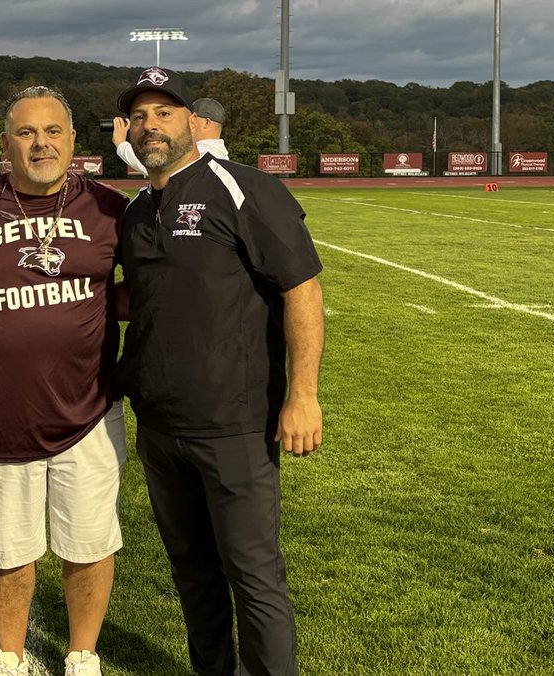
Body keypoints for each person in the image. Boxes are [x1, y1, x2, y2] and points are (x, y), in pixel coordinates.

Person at [114, 67, 325, 676]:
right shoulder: (136, 211)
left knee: (253, 576)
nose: (151, 126)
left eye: (165, 112)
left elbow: (302, 290)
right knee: (193, 574)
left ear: (193, 123)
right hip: (159, 425)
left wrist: (303, 396)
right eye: (139, 117)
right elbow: (145, 296)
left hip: (235, 423)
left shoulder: (242, 189)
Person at [0, 87, 128, 676]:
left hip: (90, 411)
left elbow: (147, 289)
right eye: (26, 133)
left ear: (74, 140)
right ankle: (10, 654)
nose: (41, 143)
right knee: (9, 550)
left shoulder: (108, 207)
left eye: (53, 131)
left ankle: (82, 653)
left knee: (89, 543)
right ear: (5, 144)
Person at [112, 95, 229, 177]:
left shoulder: (205, 155)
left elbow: (160, 168)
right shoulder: (219, 154)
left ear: (206, 123)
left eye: (193, 119)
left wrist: (121, 144)